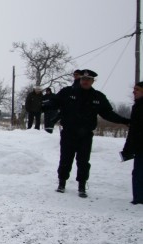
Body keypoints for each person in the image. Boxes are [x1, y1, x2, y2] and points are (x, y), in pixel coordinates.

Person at [54, 69, 130, 197]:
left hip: (85, 135)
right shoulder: (68, 92)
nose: (85, 82)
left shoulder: (97, 97)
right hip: (68, 133)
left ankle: (82, 186)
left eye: (88, 80)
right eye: (83, 79)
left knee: (83, 161)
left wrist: (124, 121)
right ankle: (62, 183)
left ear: (92, 81)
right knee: (65, 159)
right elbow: (53, 102)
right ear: (80, 80)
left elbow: (107, 114)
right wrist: (41, 105)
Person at [120, 81, 143, 204]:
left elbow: (135, 129)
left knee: (139, 172)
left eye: (137, 89)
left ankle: (139, 198)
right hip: (139, 146)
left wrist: (128, 148)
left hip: (140, 145)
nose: (134, 92)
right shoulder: (137, 105)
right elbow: (134, 129)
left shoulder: (139, 107)